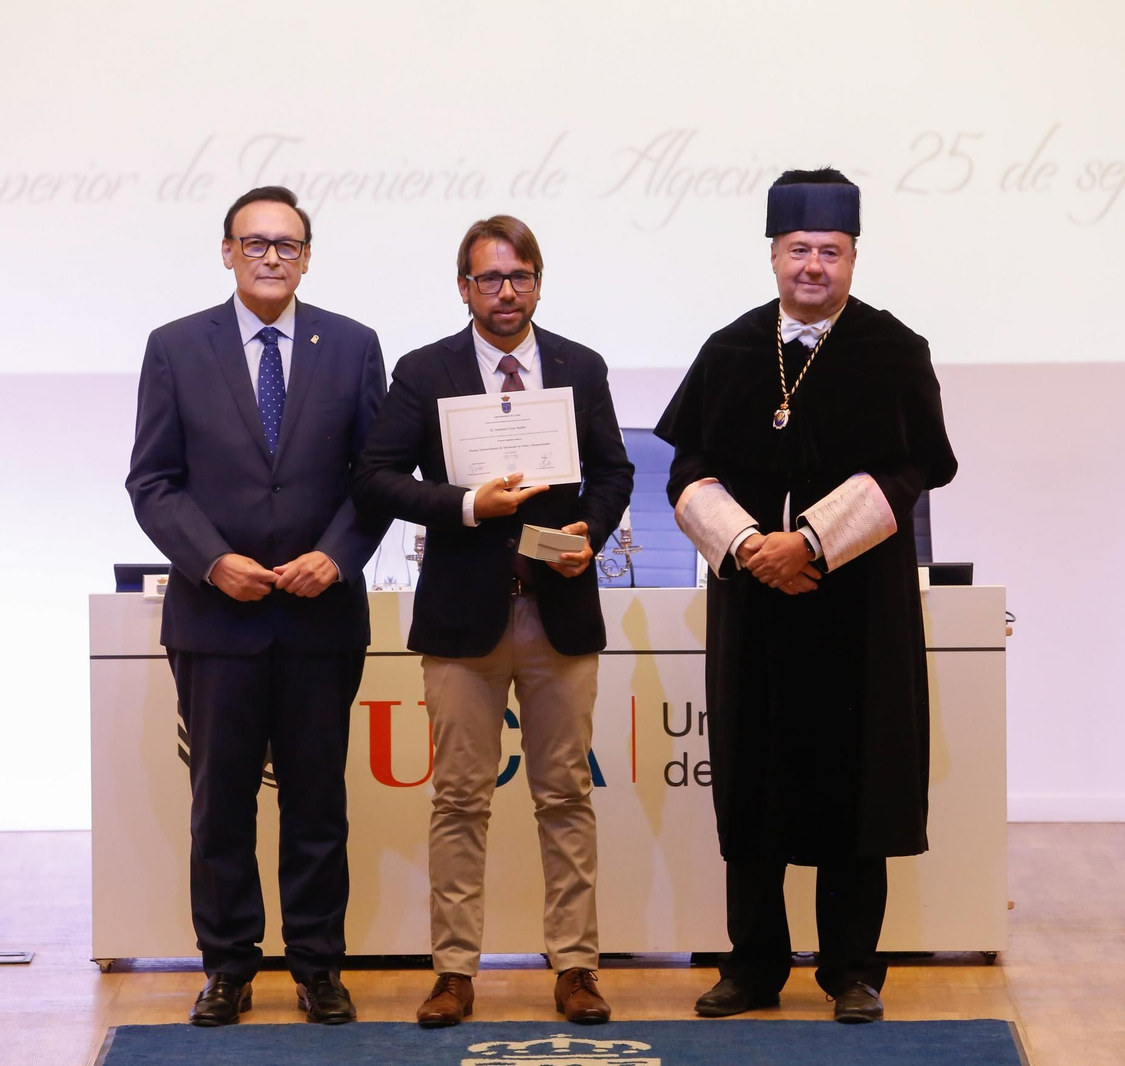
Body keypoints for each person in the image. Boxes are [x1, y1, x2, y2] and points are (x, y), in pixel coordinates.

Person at [655, 169, 958, 1023]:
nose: (813, 266)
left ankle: (853, 969)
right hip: (756, 607)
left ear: (854, 256)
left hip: (858, 611)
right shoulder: (731, 350)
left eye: (830, 251)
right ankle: (752, 967)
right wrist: (752, 546)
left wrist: (814, 543)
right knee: (752, 788)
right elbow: (686, 468)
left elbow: (915, 466)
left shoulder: (894, 350)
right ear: (774, 255)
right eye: (799, 250)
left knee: (857, 785)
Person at [352, 215, 634, 1027]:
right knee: (458, 801)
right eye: (487, 279)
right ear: (464, 287)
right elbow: (374, 477)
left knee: (567, 797)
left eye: (518, 277)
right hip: (461, 621)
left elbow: (613, 469)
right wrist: (467, 504)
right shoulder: (424, 369)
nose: (504, 293)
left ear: (538, 281)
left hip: (560, 613)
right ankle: (453, 971)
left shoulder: (579, 366)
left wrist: (593, 531)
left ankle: (577, 967)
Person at [126, 185, 388, 1026]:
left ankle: (318, 967)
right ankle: (228, 967)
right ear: (228, 252)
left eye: (286, 244)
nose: (271, 256)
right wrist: (211, 561)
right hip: (217, 618)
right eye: (254, 243)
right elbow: (153, 481)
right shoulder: (174, 347)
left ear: (307, 256)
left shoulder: (352, 346)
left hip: (319, 617)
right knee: (220, 805)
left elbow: (373, 480)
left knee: (318, 804)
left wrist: (337, 557)